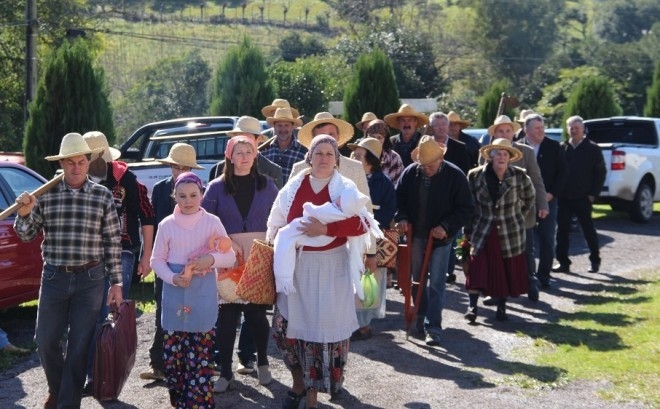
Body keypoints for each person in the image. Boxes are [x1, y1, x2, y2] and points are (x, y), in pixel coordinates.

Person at [13, 132, 123, 409]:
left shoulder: (102, 196)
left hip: (91, 278)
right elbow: (26, 235)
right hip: (54, 276)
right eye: (70, 162)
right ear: (61, 164)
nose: (76, 167)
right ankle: (58, 390)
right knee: (46, 340)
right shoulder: (44, 196)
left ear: (88, 162)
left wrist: (117, 283)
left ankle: (66, 404)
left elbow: (112, 241)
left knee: (79, 345)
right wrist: (24, 213)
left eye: (81, 162)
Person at [267, 135, 373, 409]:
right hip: (298, 268)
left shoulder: (345, 188)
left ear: (337, 159)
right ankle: (299, 381)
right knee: (283, 330)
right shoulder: (294, 187)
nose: (324, 157)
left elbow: (363, 225)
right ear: (309, 157)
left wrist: (326, 229)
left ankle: (312, 395)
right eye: (319, 152)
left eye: (330, 153)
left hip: (332, 267)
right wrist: (278, 243)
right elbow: (277, 220)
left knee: (319, 334)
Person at [151, 172, 236, 408]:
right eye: (182, 196)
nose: (188, 200)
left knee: (201, 356)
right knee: (174, 359)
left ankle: (199, 403)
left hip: (202, 293)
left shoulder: (212, 222)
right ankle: (179, 402)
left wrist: (210, 259)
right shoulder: (166, 225)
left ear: (201, 195)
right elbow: (156, 260)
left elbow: (228, 255)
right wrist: (172, 277)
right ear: (174, 196)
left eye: (193, 195)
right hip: (174, 292)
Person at [201, 135, 279, 393]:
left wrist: (271, 248)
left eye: (249, 151)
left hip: (258, 254)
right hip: (227, 255)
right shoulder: (215, 187)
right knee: (227, 315)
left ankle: (263, 364)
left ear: (255, 155)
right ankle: (225, 372)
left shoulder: (268, 185)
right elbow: (206, 222)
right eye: (239, 151)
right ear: (229, 156)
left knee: (256, 313)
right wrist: (224, 240)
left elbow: (279, 220)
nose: (244, 156)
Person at [82, 131, 156, 393]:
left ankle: (106, 375)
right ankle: (92, 374)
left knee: (110, 309)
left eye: (87, 157)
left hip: (123, 249)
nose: (83, 162)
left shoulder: (127, 179)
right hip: (88, 254)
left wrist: (146, 257)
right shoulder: (77, 179)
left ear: (100, 156)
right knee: (88, 314)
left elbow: (147, 216)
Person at [394, 136, 474, 345]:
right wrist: (402, 217)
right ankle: (419, 316)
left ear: (440, 159)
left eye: (431, 165)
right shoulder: (411, 172)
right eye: (424, 166)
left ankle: (434, 327)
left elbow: (466, 208)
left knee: (437, 282)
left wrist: (446, 226)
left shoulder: (455, 176)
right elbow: (399, 198)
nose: (427, 169)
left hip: (440, 237)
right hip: (417, 235)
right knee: (417, 279)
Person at [140, 142, 204, 382]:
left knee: (192, 310)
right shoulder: (159, 189)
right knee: (163, 310)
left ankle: (191, 362)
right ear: (170, 167)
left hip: (191, 262)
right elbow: (154, 224)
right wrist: (150, 257)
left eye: (185, 166)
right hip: (164, 260)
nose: (180, 171)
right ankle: (159, 362)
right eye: (176, 166)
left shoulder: (198, 190)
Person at [464, 138, 535, 322]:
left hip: (509, 232)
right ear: (491, 156)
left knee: (504, 270)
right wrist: (468, 228)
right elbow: (468, 204)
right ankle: (472, 307)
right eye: (498, 154)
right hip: (482, 229)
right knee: (476, 268)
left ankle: (501, 307)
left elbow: (529, 198)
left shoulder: (520, 175)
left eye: (505, 154)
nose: (502, 157)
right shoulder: (474, 175)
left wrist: (517, 217)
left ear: (510, 158)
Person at [480, 115, 549, 303]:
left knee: (526, 250)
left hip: (521, 213)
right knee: (496, 254)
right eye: (500, 131)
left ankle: (530, 280)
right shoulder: (486, 154)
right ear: (494, 134)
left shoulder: (525, 152)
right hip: (495, 216)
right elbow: (480, 181)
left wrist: (542, 204)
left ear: (513, 132)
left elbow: (536, 180)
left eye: (508, 130)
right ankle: (496, 291)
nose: (505, 134)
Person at [348, 137, 396, 341]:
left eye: (358, 155)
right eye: (353, 154)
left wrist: (369, 222)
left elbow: (389, 210)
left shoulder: (382, 182)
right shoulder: (347, 178)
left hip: (371, 236)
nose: (353, 157)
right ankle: (349, 322)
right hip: (349, 234)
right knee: (349, 277)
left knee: (369, 276)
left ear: (371, 160)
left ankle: (364, 325)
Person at [518, 114, 568, 288]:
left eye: (542, 128)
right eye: (537, 128)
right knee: (525, 241)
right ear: (526, 129)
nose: (541, 131)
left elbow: (563, 173)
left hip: (547, 199)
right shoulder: (517, 146)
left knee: (546, 237)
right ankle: (526, 276)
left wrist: (551, 194)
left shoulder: (554, 146)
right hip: (522, 202)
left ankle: (544, 275)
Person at [553, 116, 606, 274]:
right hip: (564, 197)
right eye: (570, 127)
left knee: (588, 230)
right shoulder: (561, 148)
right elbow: (556, 172)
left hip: (583, 197)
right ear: (567, 129)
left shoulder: (593, 149)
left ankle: (595, 261)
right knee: (561, 231)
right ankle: (563, 262)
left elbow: (600, 173)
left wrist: (592, 194)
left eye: (576, 127)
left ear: (583, 129)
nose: (573, 130)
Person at [427, 112, 472, 285]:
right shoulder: (424, 145)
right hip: (431, 197)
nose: (440, 128)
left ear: (448, 126)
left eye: (443, 124)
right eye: (436, 125)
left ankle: (450, 270)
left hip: (453, 198)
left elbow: (465, 173)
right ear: (432, 127)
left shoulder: (459, 147)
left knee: (455, 235)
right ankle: (433, 269)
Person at [209, 116, 283, 188]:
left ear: (259, 139)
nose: (243, 142)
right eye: (239, 138)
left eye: (248, 139)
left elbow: (277, 200)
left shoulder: (273, 171)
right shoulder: (222, 167)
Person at [261, 107, 307, 181]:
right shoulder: (265, 151)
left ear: (292, 127)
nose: (283, 129)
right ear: (274, 127)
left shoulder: (304, 152)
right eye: (279, 125)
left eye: (286, 125)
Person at [364, 119, 405, 186]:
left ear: (385, 139)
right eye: (372, 137)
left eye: (379, 137)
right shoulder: (359, 155)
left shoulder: (394, 158)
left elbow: (398, 186)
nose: (375, 140)